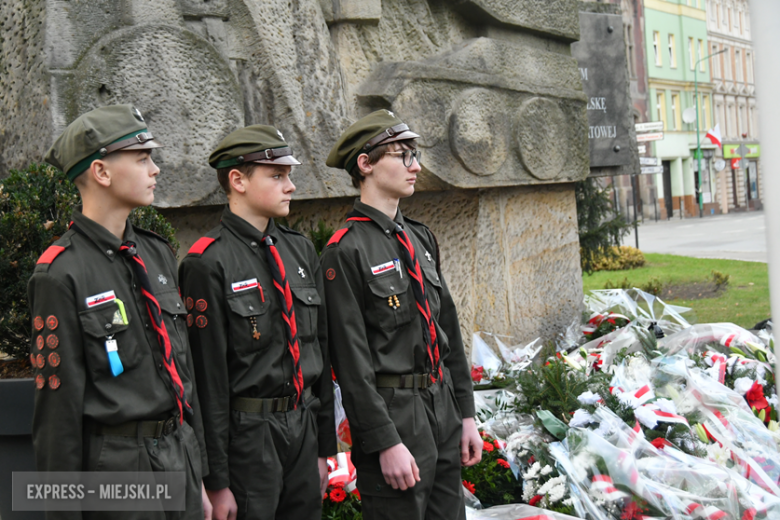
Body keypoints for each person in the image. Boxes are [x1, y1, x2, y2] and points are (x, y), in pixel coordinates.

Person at [30, 104, 210, 519]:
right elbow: (57, 419)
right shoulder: (60, 274)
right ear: (102, 173)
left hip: (177, 455)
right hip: (117, 468)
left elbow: (184, 375)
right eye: (142, 158)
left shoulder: (157, 253)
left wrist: (197, 475)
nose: (155, 169)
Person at [320, 109, 482, 520]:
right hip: (396, 414)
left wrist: (466, 414)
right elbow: (351, 364)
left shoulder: (420, 238)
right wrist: (383, 441)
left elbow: (449, 334)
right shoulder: (346, 251)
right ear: (366, 164)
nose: (416, 166)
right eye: (403, 155)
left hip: (441, 403)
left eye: (415, 154)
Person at [178, 125, 336, 520]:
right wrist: (216, 479)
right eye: (277, 176)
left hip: (302, 426)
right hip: (250, 437)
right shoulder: (207, 262)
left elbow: (320, 350)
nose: (291, 187)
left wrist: (324, 448)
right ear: (238, 180)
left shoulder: (298, 249)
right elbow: (207, 380)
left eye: (290, 175)